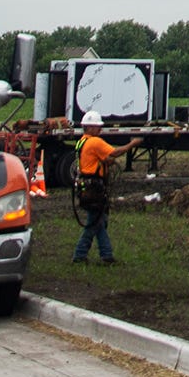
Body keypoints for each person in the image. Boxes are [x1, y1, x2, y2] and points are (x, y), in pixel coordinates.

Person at [72, 112, 121, 265]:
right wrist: (132, 144)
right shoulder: (94, 142)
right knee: (94, 224)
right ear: (90, 127)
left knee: (99, 222)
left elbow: (95, 160)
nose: (100, 130)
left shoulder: (81, 142)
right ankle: (80, 255)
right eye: (98, 127)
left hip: (86, 188)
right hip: (94, 189)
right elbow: (115, 152)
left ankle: (107, 256)